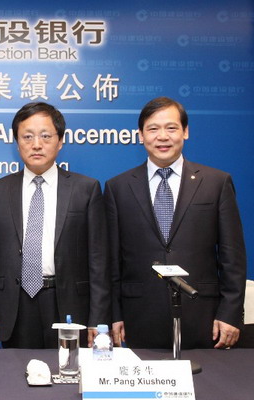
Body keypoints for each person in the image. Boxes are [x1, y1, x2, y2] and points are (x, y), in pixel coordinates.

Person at [104, 96, 247, 349]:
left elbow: (232, 257)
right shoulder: (118, 187)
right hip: (140, 316)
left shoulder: (216, 183)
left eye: (171, 128)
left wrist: (230, 313)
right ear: (141, 135)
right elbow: (112, 261)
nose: (163, 137)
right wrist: (114, 314)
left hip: (203, 316)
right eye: (153, 129)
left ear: (185, 132)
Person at [0, 102, 111, 349]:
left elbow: (98, 261)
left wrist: (98, 318)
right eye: (27, 136)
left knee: (69, 370)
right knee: (15, 371)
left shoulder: (86, 189)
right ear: (16, 142)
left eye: (45, 136)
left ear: (60, 141)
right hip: (16, 306)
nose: (36, 144)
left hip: (69, 305)